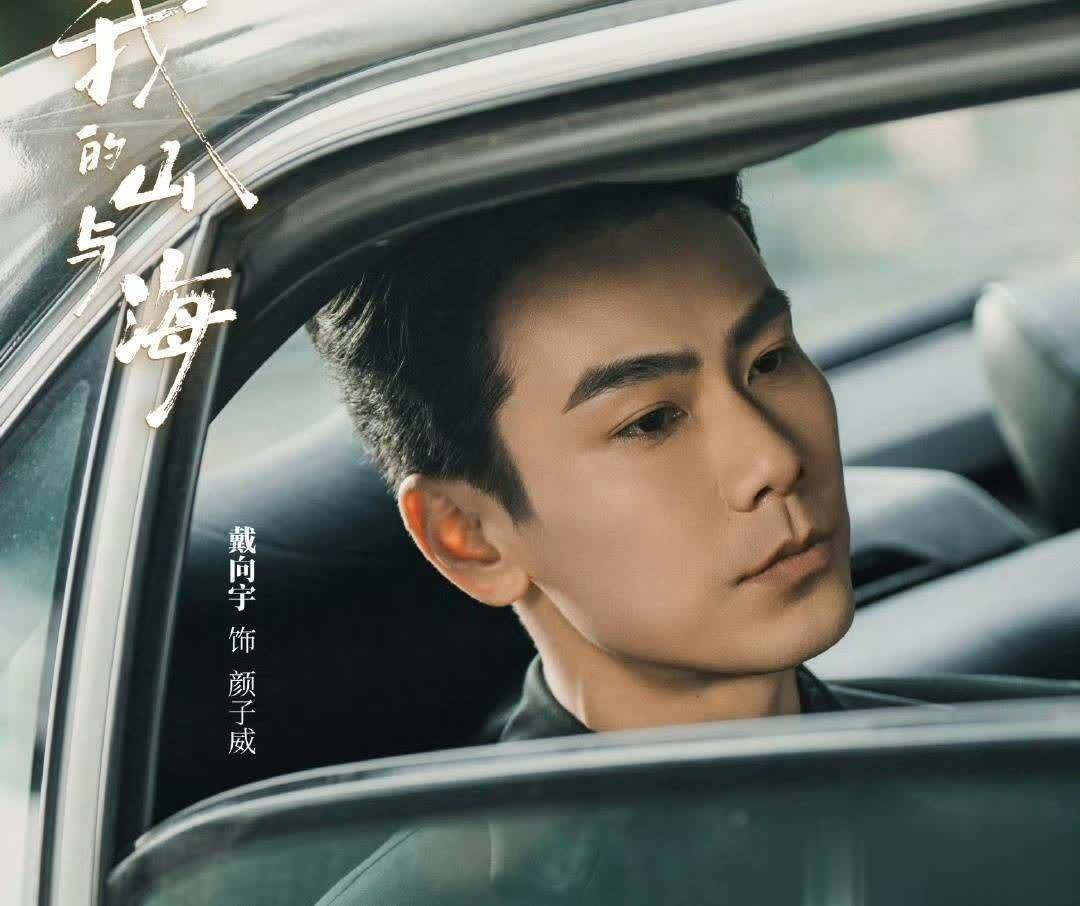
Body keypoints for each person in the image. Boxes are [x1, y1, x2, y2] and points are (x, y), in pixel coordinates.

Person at [304, 173, 906, 903]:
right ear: (470, 537)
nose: (773, 460)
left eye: (770, 360)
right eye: (651, 421)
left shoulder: (1011, 782)